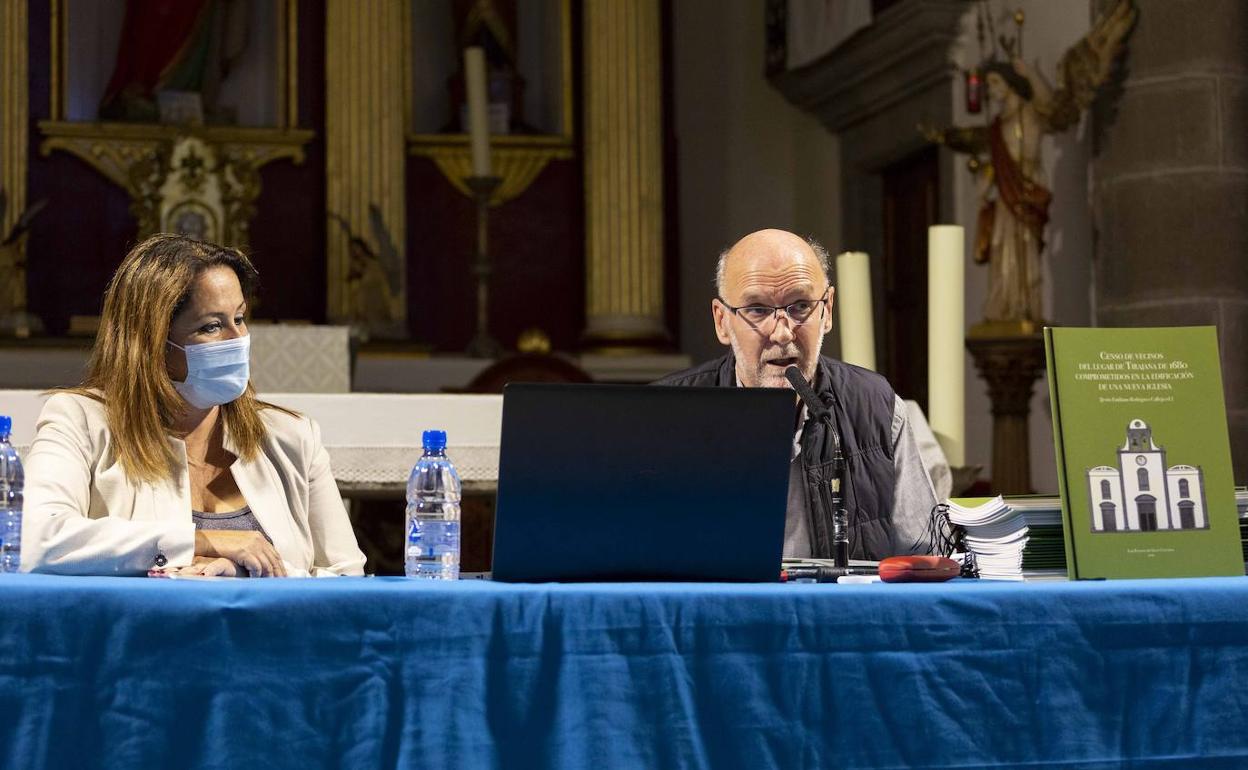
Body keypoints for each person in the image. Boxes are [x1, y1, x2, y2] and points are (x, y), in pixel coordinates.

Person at [21, 234, 366, 577]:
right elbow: (36, 541)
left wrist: (245, 574)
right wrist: (197, 542)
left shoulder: (292, 437)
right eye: (211, 326)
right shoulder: (80, 420)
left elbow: (347, 578)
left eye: (239, 318)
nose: (237, 339)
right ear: (153, 342)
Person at [656, 229, 937, 560]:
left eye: (800, 306)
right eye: (757, 309)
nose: (782, 332)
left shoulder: (878, 408)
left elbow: (925, 559)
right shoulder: (665, 414)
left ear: (827, 310)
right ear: (722, 321)